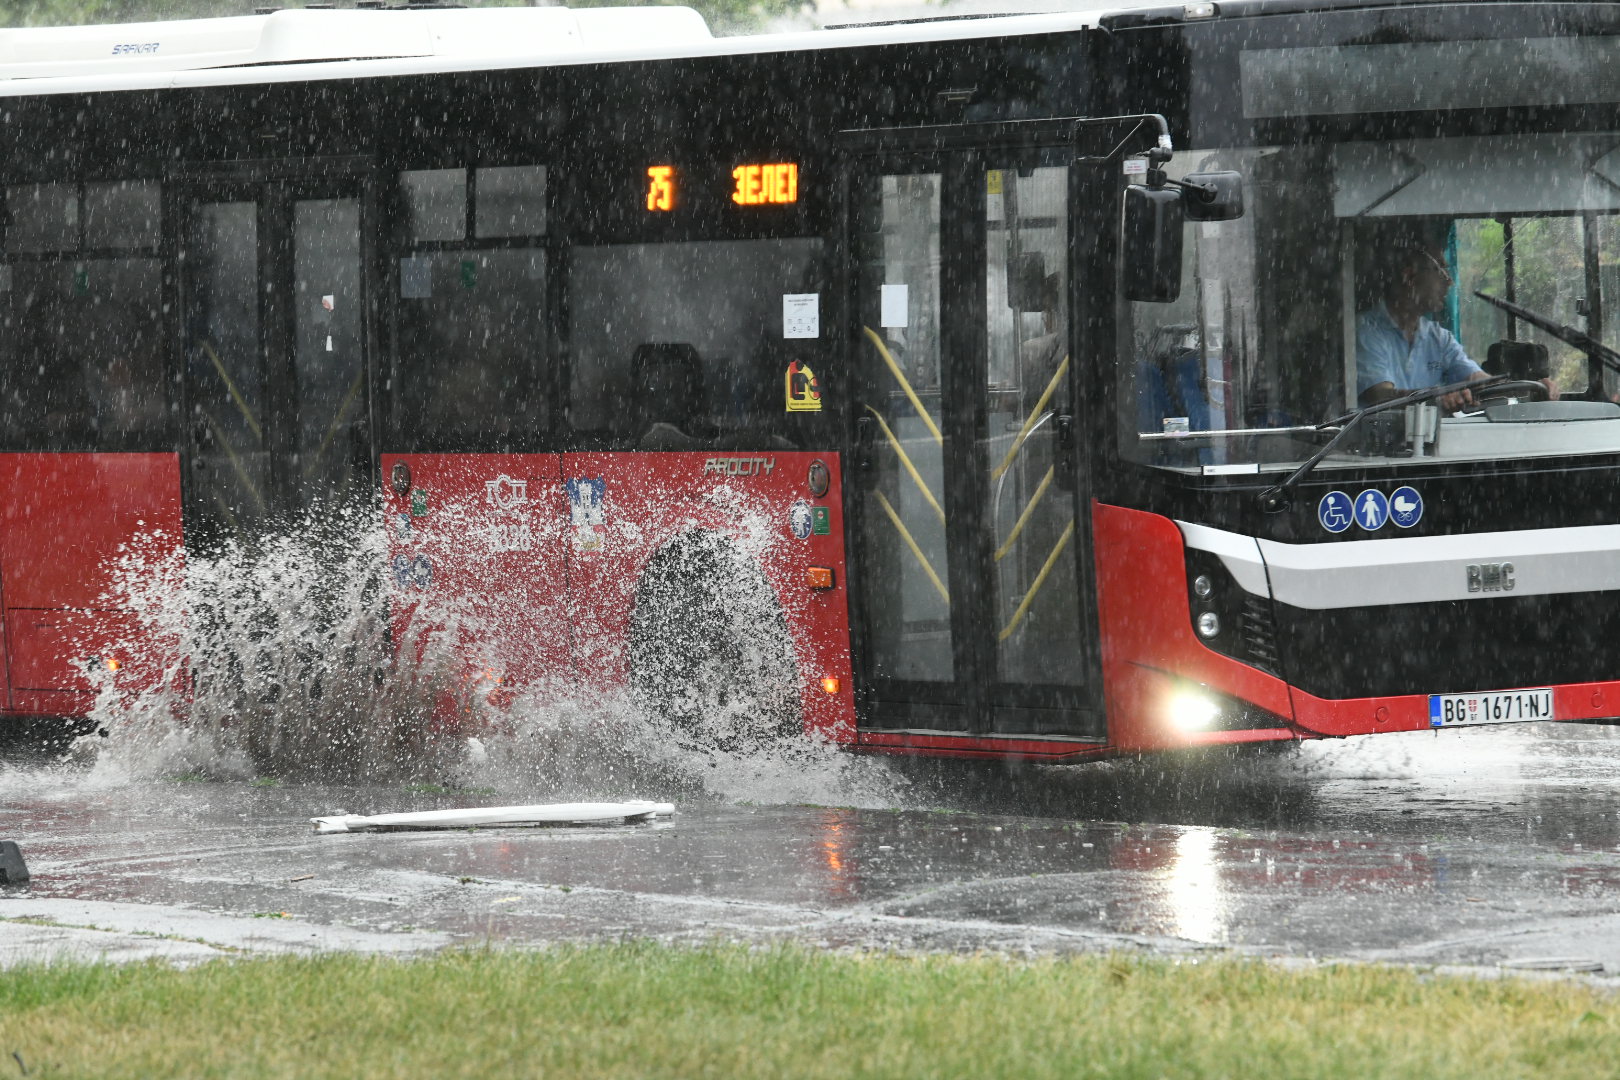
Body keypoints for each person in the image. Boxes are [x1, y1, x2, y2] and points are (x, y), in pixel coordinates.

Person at [1357, 238, 1557, 413]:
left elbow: (1481, 381)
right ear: (1410, 277)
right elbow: (1379, 396)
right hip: (1376, 449)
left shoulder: (1437, 337)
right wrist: (1433, 399)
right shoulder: (1366, 330)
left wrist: (1531, 388)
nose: (1449, 281)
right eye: (1440, 270)